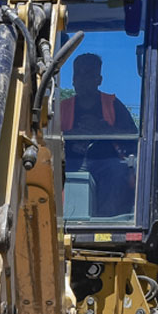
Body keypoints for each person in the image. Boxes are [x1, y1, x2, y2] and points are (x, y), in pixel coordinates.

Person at [61, 52, 137, 215]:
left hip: (105, 160)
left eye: (88, 74)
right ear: (73, 80)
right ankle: (63, 216)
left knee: (117, 171)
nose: (82, 80)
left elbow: (133, 137)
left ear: (99, 80)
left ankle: (108, 219)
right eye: (78, 75)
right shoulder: (62, 108)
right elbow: (48, 139)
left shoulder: (113, 104)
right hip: (70, 161)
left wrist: (104, 130)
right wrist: (73, 136)